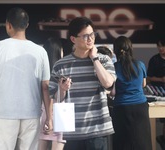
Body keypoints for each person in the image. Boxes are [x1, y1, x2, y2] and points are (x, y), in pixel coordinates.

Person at [0, 7, 52, 150]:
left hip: (4, 113)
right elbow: (45, 86)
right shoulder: (40, 51)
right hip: (32, 112)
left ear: (8, 25)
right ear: (27, 24)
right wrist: (49, 117)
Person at [49, 17, 116, 150]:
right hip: (71, 131)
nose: (90, 39)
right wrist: (62, 89)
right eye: (85, 36)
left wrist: (94, 58)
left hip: (98, 130)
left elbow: (108, 83)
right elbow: (54, 97)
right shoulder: (61, 65)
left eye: (92, 35)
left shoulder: (103, 60)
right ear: (73, 39)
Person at [112, 36, 152, 150]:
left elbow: (113, 91)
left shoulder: (114, 67)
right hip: (140, 107)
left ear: (115, 51)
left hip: (122, 108)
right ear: (131, 48)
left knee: (123, 143)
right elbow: (143, 84)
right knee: (142, 141)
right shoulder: (140, 64)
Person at [39, 37, 67, 150]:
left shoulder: (41, 72)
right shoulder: (62, 71)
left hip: (43, 114)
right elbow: (54, 96)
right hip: (60, 115)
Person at [147, 38, 165, 150]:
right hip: (158, 93)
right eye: (158, 46)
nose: (160, 48)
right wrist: (161, 79)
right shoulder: (154, 60)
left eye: (162, 46)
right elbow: (148, 78)